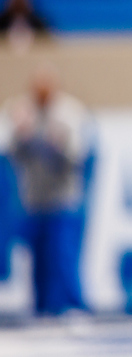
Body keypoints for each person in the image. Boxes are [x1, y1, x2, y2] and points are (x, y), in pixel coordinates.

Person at [1, 67, 91, 315]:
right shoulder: (22, 111)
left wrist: (54, 143)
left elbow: (76, 157)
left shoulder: (68, 113)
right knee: (37, 259)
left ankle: (74, 306)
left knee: (63, 256)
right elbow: (12, 154)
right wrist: (22, 135)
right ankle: (41, 309)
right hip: (33, 200)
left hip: (62, 199)